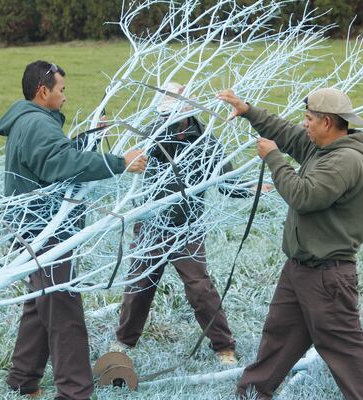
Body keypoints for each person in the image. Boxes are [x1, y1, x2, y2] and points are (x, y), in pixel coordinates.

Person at [0, 60, 147, 400]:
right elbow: (60, 164)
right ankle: (75, 392)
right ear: (43, 90)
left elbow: (53, 157)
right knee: (64, 311)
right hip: (42, 233)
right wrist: (119, 163)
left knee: (41, 304)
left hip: (31, 230)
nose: (65, 97)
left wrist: (89, 139)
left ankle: (23, 381)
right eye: (61, 90)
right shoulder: (36, 124)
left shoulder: (31, 120)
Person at [218, 87, 363, 399]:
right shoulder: (320, 147)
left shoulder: (346, 160)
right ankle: (251, 393)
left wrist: (274, 159)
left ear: (328, 123)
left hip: (327, 275)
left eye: (309, 119)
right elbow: (287, 134)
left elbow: (304, 196)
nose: (304, 124)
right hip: (299, 269)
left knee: (346, 351)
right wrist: (248, 110)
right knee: (279, 337)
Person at [112, 82, 269, 365]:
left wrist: (254, 187)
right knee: (139, 285)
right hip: (152, 224)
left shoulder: (206, 141)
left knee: (200, 288)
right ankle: (124, 341)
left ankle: (224, 346)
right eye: (164, 115)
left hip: (188, 227)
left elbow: (226, 183)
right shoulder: (150, 135)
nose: (167, 120)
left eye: (172, 115)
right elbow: (130, 165)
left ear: (187, 112)